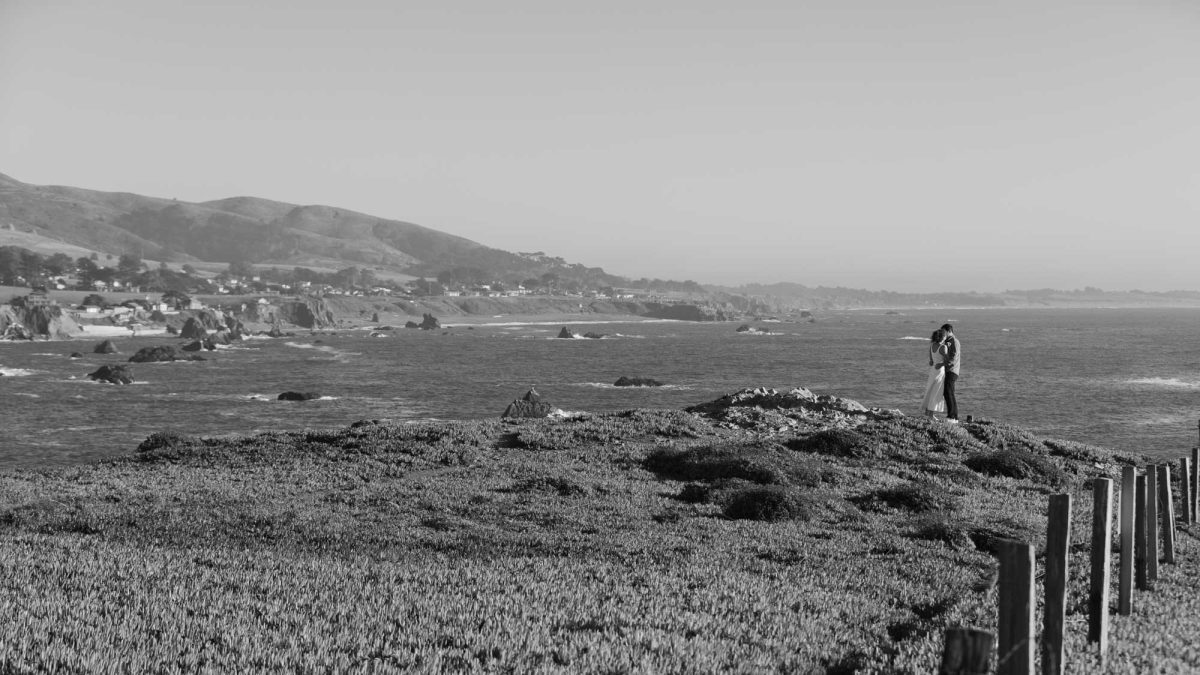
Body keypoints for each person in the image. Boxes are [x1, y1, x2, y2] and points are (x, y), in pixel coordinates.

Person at [921, 329, 948, 418]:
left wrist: (935, 362)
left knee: (930, 389)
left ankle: (927, 411)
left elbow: (931, 361)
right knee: (936, 391)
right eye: (945, 336)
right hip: (940, 371)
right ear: (942, 337)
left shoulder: (932, 346)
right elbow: (948, 361)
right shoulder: (943, 347)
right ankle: (931, 414)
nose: (946, 337)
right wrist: (941, 363)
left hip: (933, 370)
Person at [940, 323, 962, 423]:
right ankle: (952, 415)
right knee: (948, 392)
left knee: (948, 392)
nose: (942, 333)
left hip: (952, 370)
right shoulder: (947, 341)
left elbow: (953, 357)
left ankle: (952, 416)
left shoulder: (954, 342)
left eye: (944, 331)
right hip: (948, 370)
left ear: (949, 331)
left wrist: (943, 364)